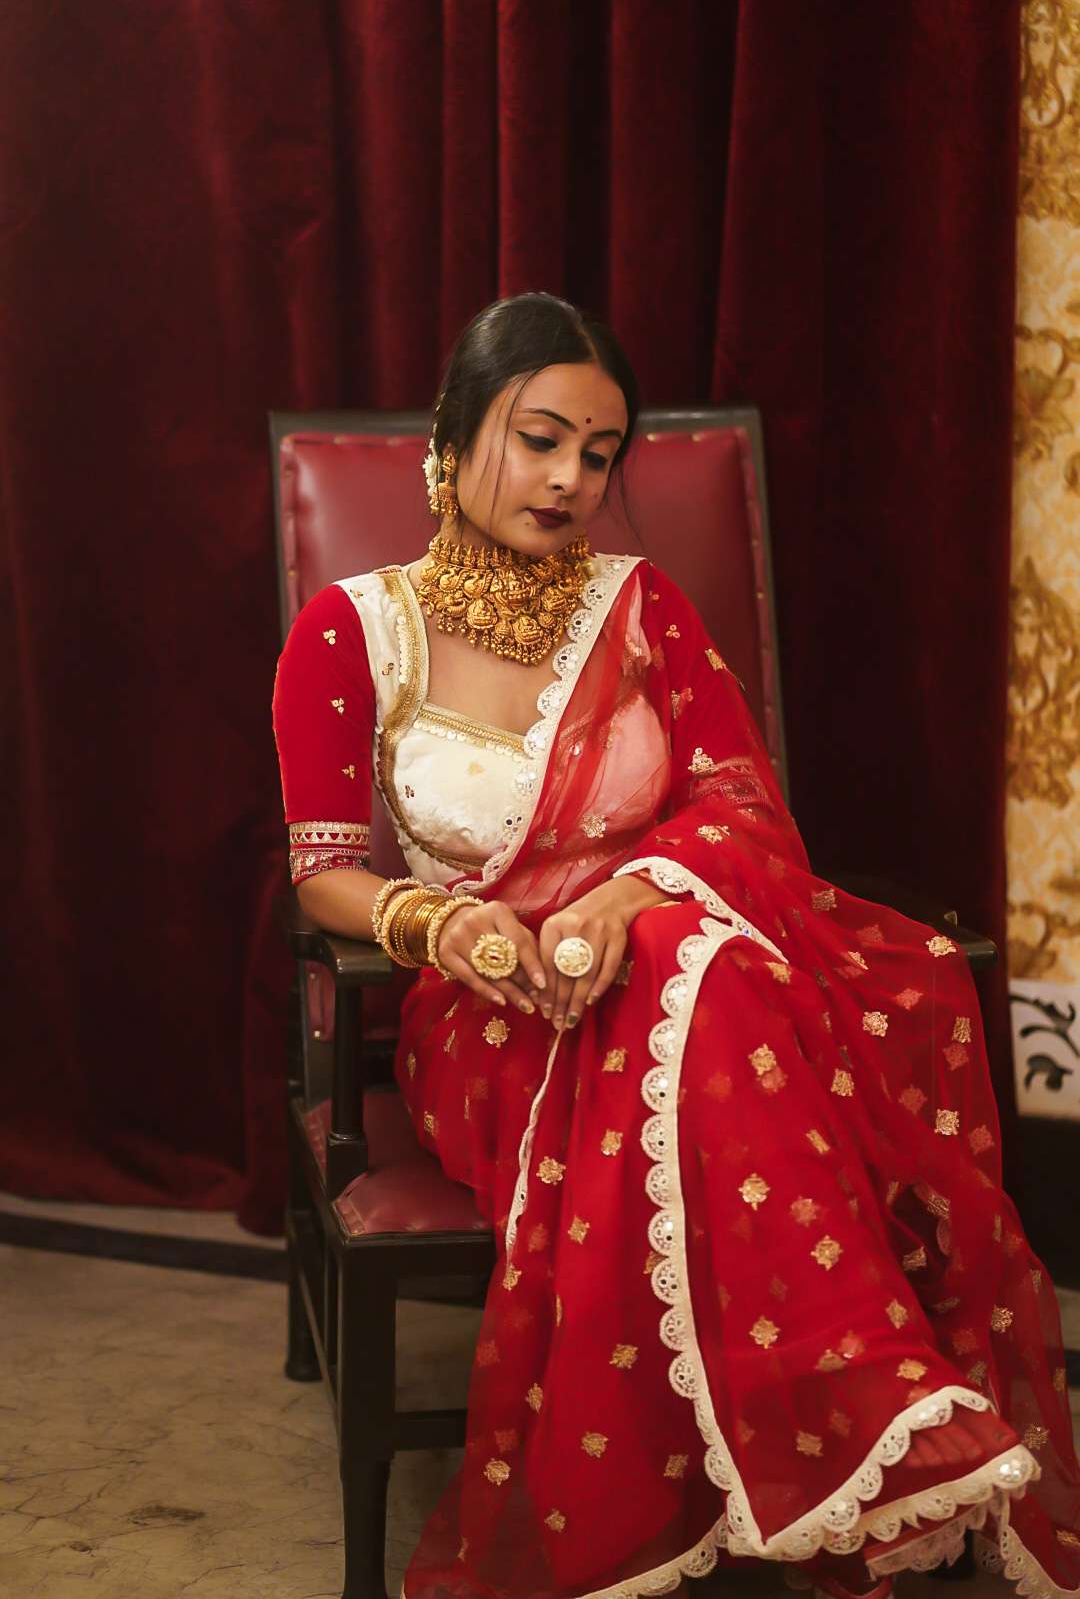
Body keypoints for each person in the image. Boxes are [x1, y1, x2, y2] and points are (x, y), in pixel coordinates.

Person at [273, 292, 1080, 1599]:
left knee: (714, 971)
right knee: (724, 987)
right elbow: (324, 880)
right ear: (454, 431)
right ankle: (864, 1414)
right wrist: (446, 921)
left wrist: (633, 893)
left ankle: (844, 1423)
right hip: (493, 1006)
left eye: (598, 454)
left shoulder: (640, 606)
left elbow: (745, 804)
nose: (569, 480)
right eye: (538, 439)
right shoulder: (353, 632)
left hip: (677, 962)